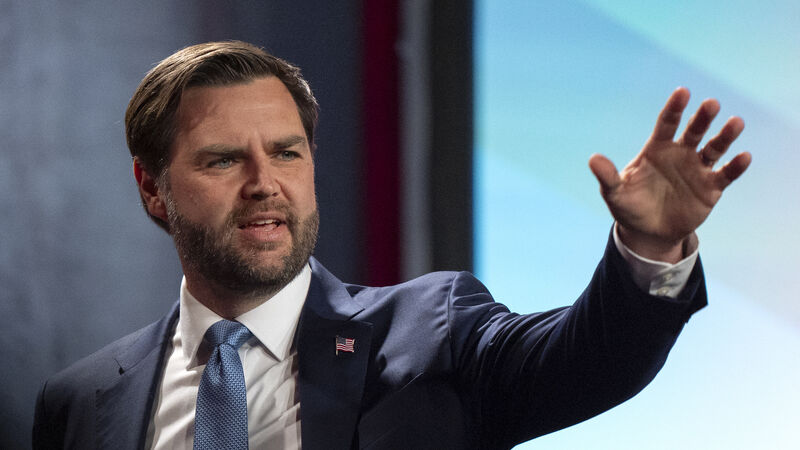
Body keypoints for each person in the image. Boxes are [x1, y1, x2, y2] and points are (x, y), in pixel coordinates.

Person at [32, 41, 750, 449]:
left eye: (286, 153)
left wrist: (647, 247)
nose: (264, 184)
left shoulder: (431, 329)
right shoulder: (79, 404)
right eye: (223, 160)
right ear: (153, 189)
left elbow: (586, 362)